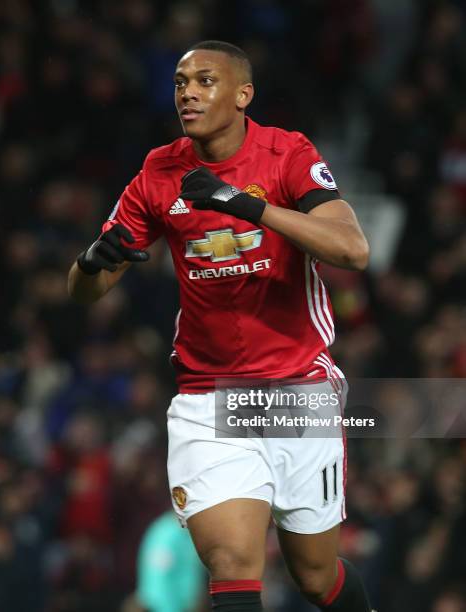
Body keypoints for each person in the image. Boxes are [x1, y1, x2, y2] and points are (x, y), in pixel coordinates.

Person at [68, 40, 372, 612]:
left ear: (242, 94)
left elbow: (352, 250)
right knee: (232, 562)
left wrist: (245, 205)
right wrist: (91, 263)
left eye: (205, 81)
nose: (188, 92)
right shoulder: (160, 170)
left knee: (314, 577)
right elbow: (83, 291)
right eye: (181, 82)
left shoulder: (286, 154)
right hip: (209, 397)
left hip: (297, 389)